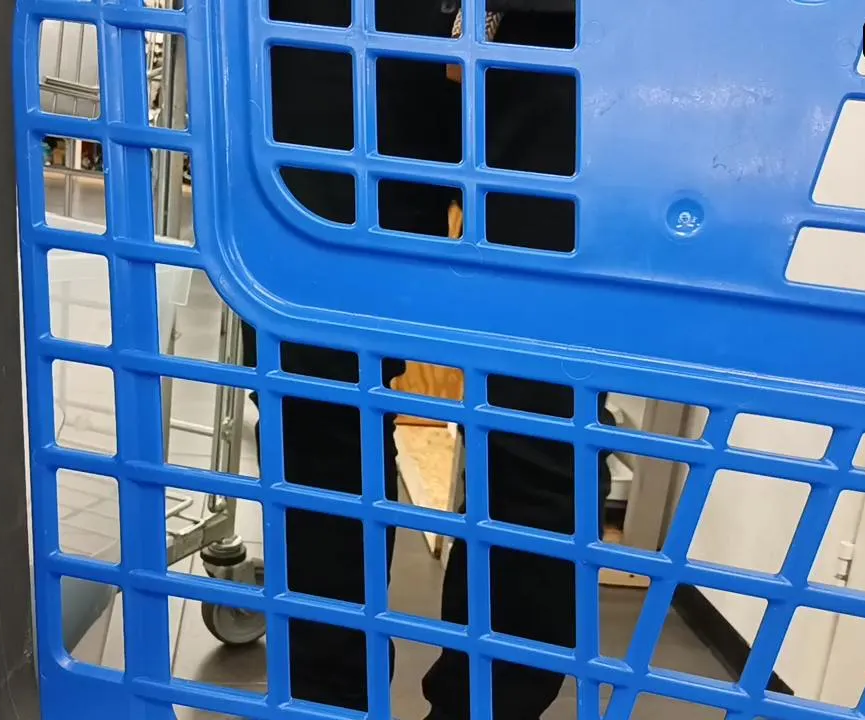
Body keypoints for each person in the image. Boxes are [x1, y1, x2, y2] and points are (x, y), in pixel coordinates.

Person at [241, 2, 607, 717]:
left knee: (547, 409)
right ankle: (325, 705)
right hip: (332, 20)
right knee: (313, 389)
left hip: (570, 25)